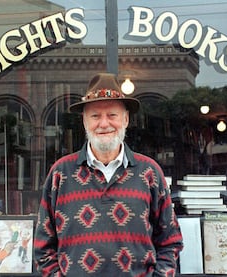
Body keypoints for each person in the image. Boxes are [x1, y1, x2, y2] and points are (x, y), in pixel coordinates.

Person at [34, 73, 183, 276]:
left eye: (112, 115)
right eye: (95, 115)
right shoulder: (60, 174)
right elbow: (43, 247)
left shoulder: (150, 172)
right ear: (85, 121)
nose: (104, 124)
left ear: (126, 119)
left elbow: (170, 242)